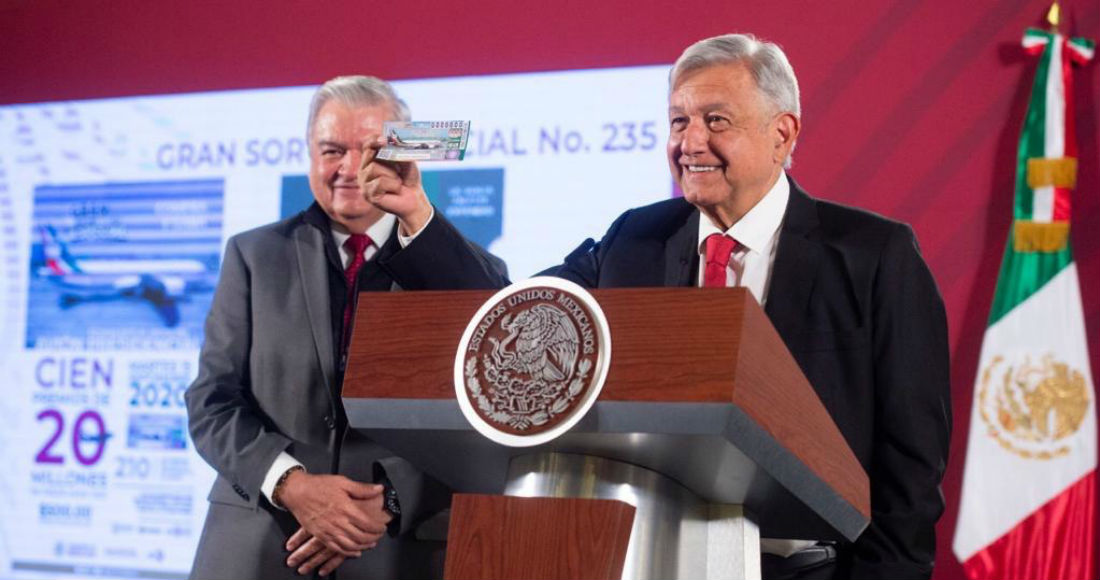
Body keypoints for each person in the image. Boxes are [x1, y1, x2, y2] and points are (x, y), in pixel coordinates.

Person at [546, 34, 950, 579]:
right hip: (648, 560)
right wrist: (419, 222)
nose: (689, 143)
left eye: (716, 121)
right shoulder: (634, 238)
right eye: (678, 121)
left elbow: (912, 464)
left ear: (782, 134)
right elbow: (521, 309)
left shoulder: (874, 256)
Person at [185, 75, 507, 579]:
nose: (350, 168)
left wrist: (387, 500)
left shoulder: (455, 265)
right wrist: (293, 484)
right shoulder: (252, 256)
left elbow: (492, 406)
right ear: (310, 153)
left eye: (372, 149)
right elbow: (211, 404)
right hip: (260, 550)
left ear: (402, 150)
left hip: (395, 551)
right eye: (332, 150)